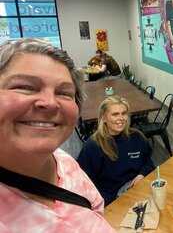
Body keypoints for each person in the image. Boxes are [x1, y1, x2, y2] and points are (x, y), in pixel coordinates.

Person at [0, 38, 114, 232]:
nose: (50, 103)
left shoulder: (64, 161)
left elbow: (96, 210)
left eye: (64, 92)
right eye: (25, 87)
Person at [78, 96, 154, 206]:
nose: (121, 118)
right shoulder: (93, 146)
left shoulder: (137, 137)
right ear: (104, 118)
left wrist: (141, 175)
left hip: (139, 191)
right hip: (112, 201)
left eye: (124, 113)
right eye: (115, 114)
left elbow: (148, 162)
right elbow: (84, 183)